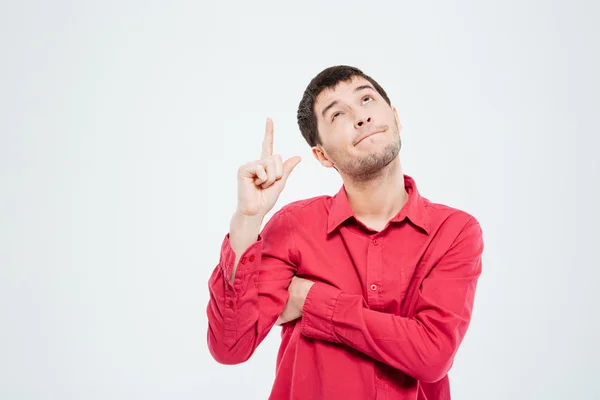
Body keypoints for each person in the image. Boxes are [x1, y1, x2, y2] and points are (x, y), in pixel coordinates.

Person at [206, 65, 484, 400]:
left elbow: (433, 355)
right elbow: (230, 346)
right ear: (322, 155)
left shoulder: (454, 232)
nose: (361, 117)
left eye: (366, 99)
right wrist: (247, 219)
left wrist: (311, 301)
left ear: (395, 118)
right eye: (337, 114)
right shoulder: (295, 226)